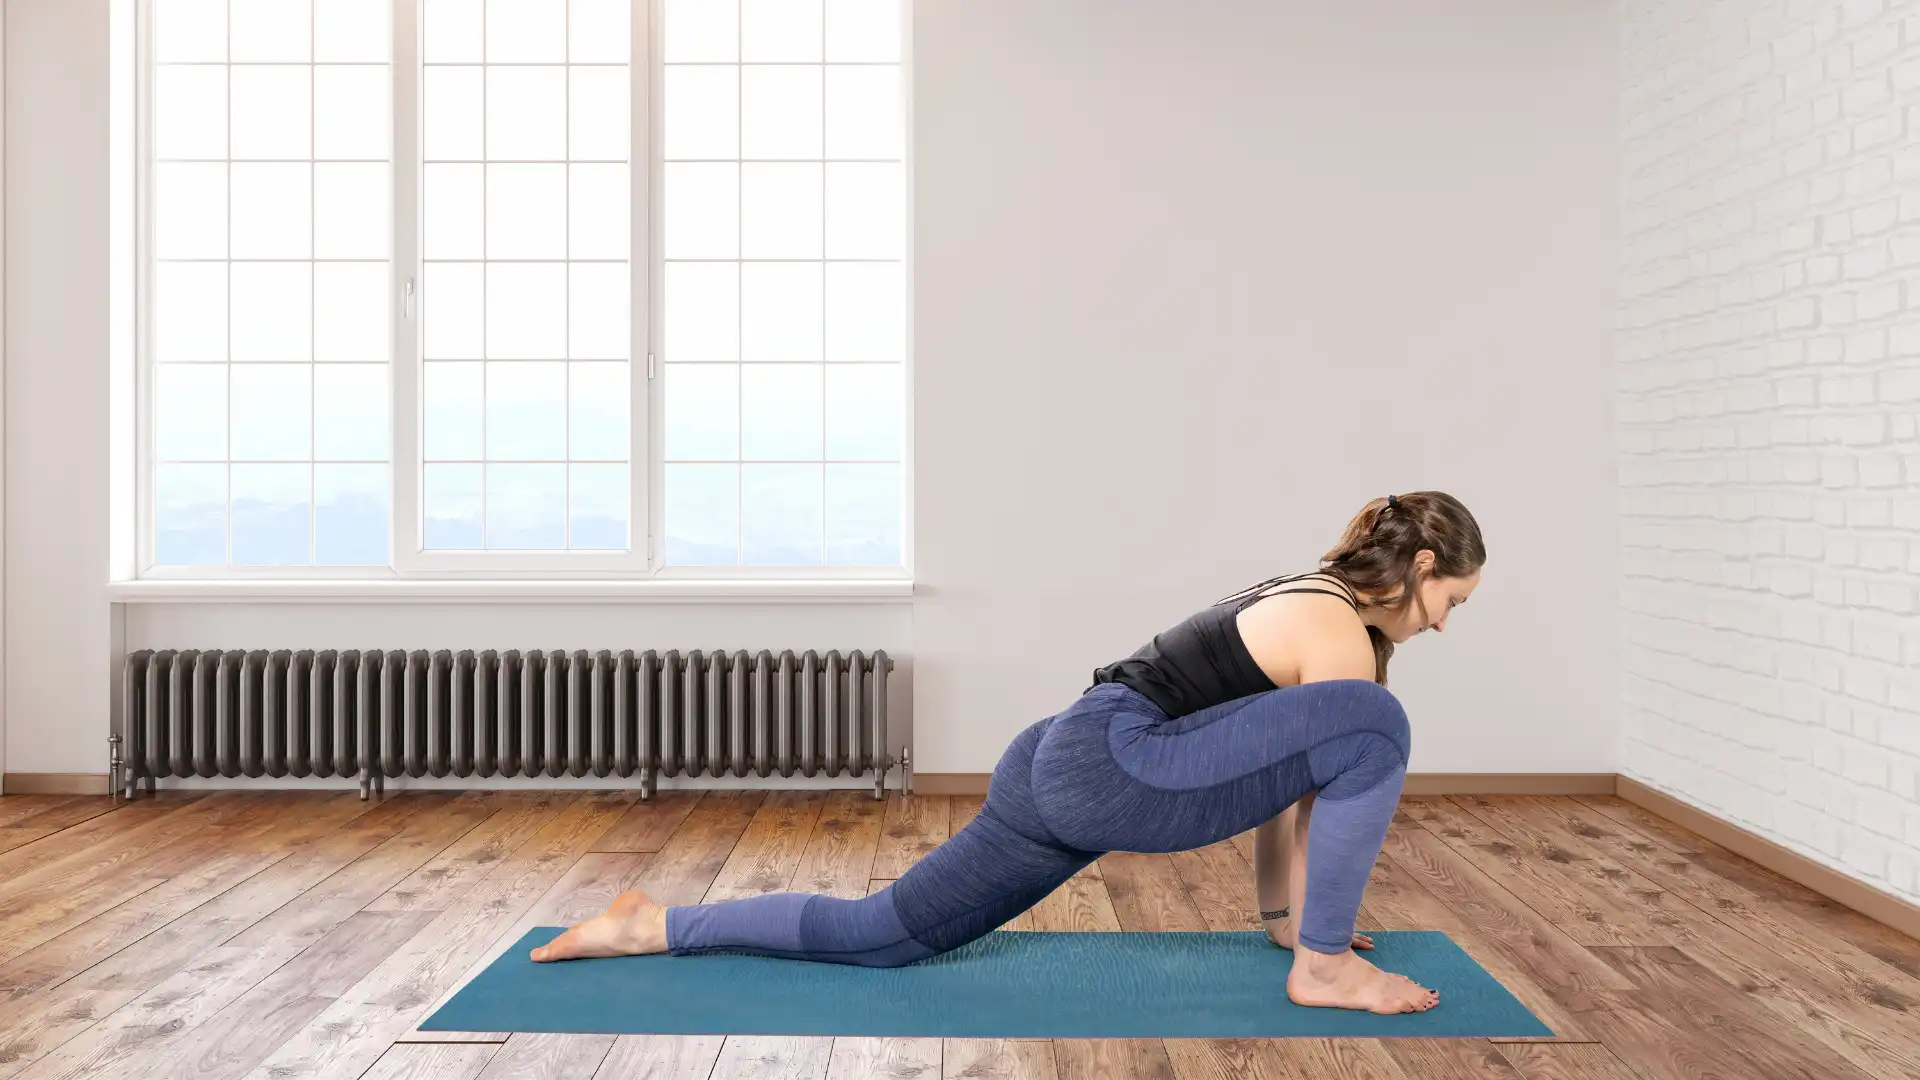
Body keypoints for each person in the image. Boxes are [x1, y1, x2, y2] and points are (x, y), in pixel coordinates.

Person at [532, 492, 1485, 1016]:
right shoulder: (1339, 634)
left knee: (886, 936)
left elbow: (1292, 778)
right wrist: (1312, 948)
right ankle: (1324, 973)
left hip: (1060, 755)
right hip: (1117, 764)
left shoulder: (1308, 593)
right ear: (1424, 571)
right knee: (1377, 725)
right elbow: (1316, 782)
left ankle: (652, 925)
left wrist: (1282, 916)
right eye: (1453, 604)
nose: (1445, 625)